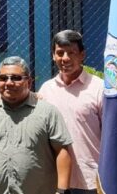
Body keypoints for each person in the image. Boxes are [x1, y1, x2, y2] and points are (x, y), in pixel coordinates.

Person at [0, 56, 73, 194]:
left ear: (28, 82)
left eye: (16, 78)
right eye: (3, 78)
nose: (9, 83)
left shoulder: (47, 112)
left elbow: (62, 151)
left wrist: (62, 190)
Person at [38, 30, 103, 194]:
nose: (65, 58)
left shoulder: (98, 88)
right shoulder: (46, 90)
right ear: (53, 56)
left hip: (92, 179)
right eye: (60, 53)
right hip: (57, 181)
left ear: (82, 55)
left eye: (71, 53)